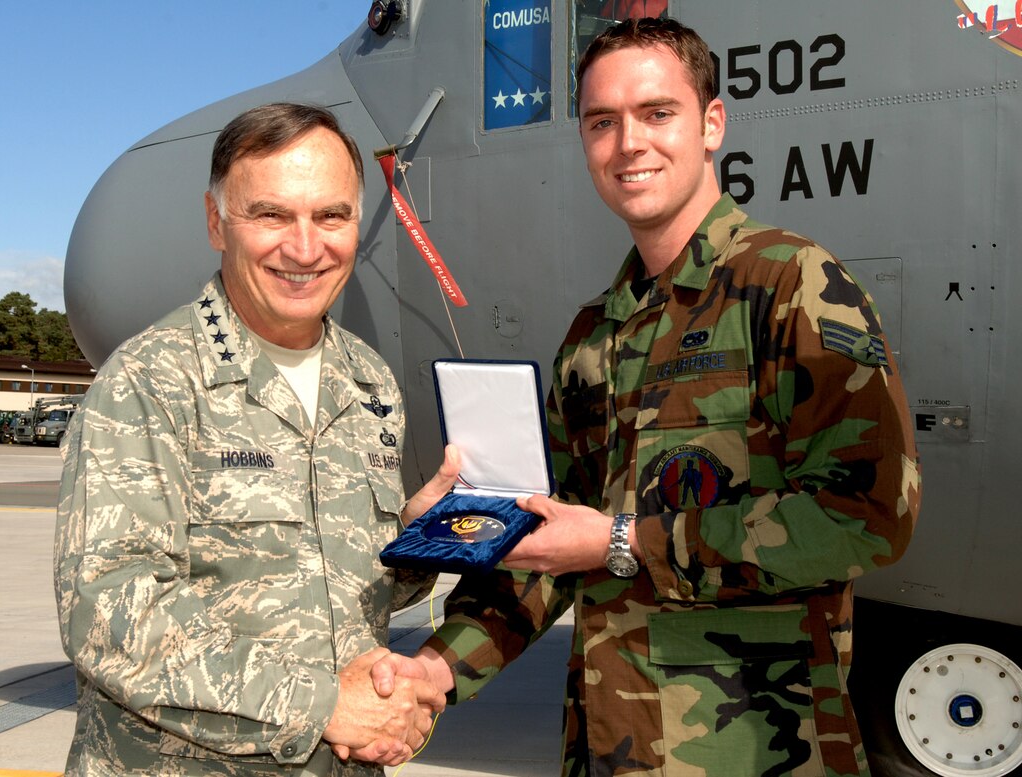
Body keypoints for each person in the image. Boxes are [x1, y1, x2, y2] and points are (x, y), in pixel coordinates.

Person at [377, 17, 921, 777]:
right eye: (602, 122)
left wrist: (624, 541)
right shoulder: (593, 336)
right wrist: (435, 669)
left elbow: (867, 519)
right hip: (608, 747)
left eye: (657, 113)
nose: (629, 143)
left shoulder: (792, 287)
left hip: (758, 752)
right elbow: (546, 545)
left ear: (711, 124)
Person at [54, 102, 459, 776]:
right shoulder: (151, 380)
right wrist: (323, 706)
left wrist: (412, 546)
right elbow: (109, 613)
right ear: (217, 222)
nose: (304, 248)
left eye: (331, 216)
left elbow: (338, 587)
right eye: (271, 215)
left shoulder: (368, 381)